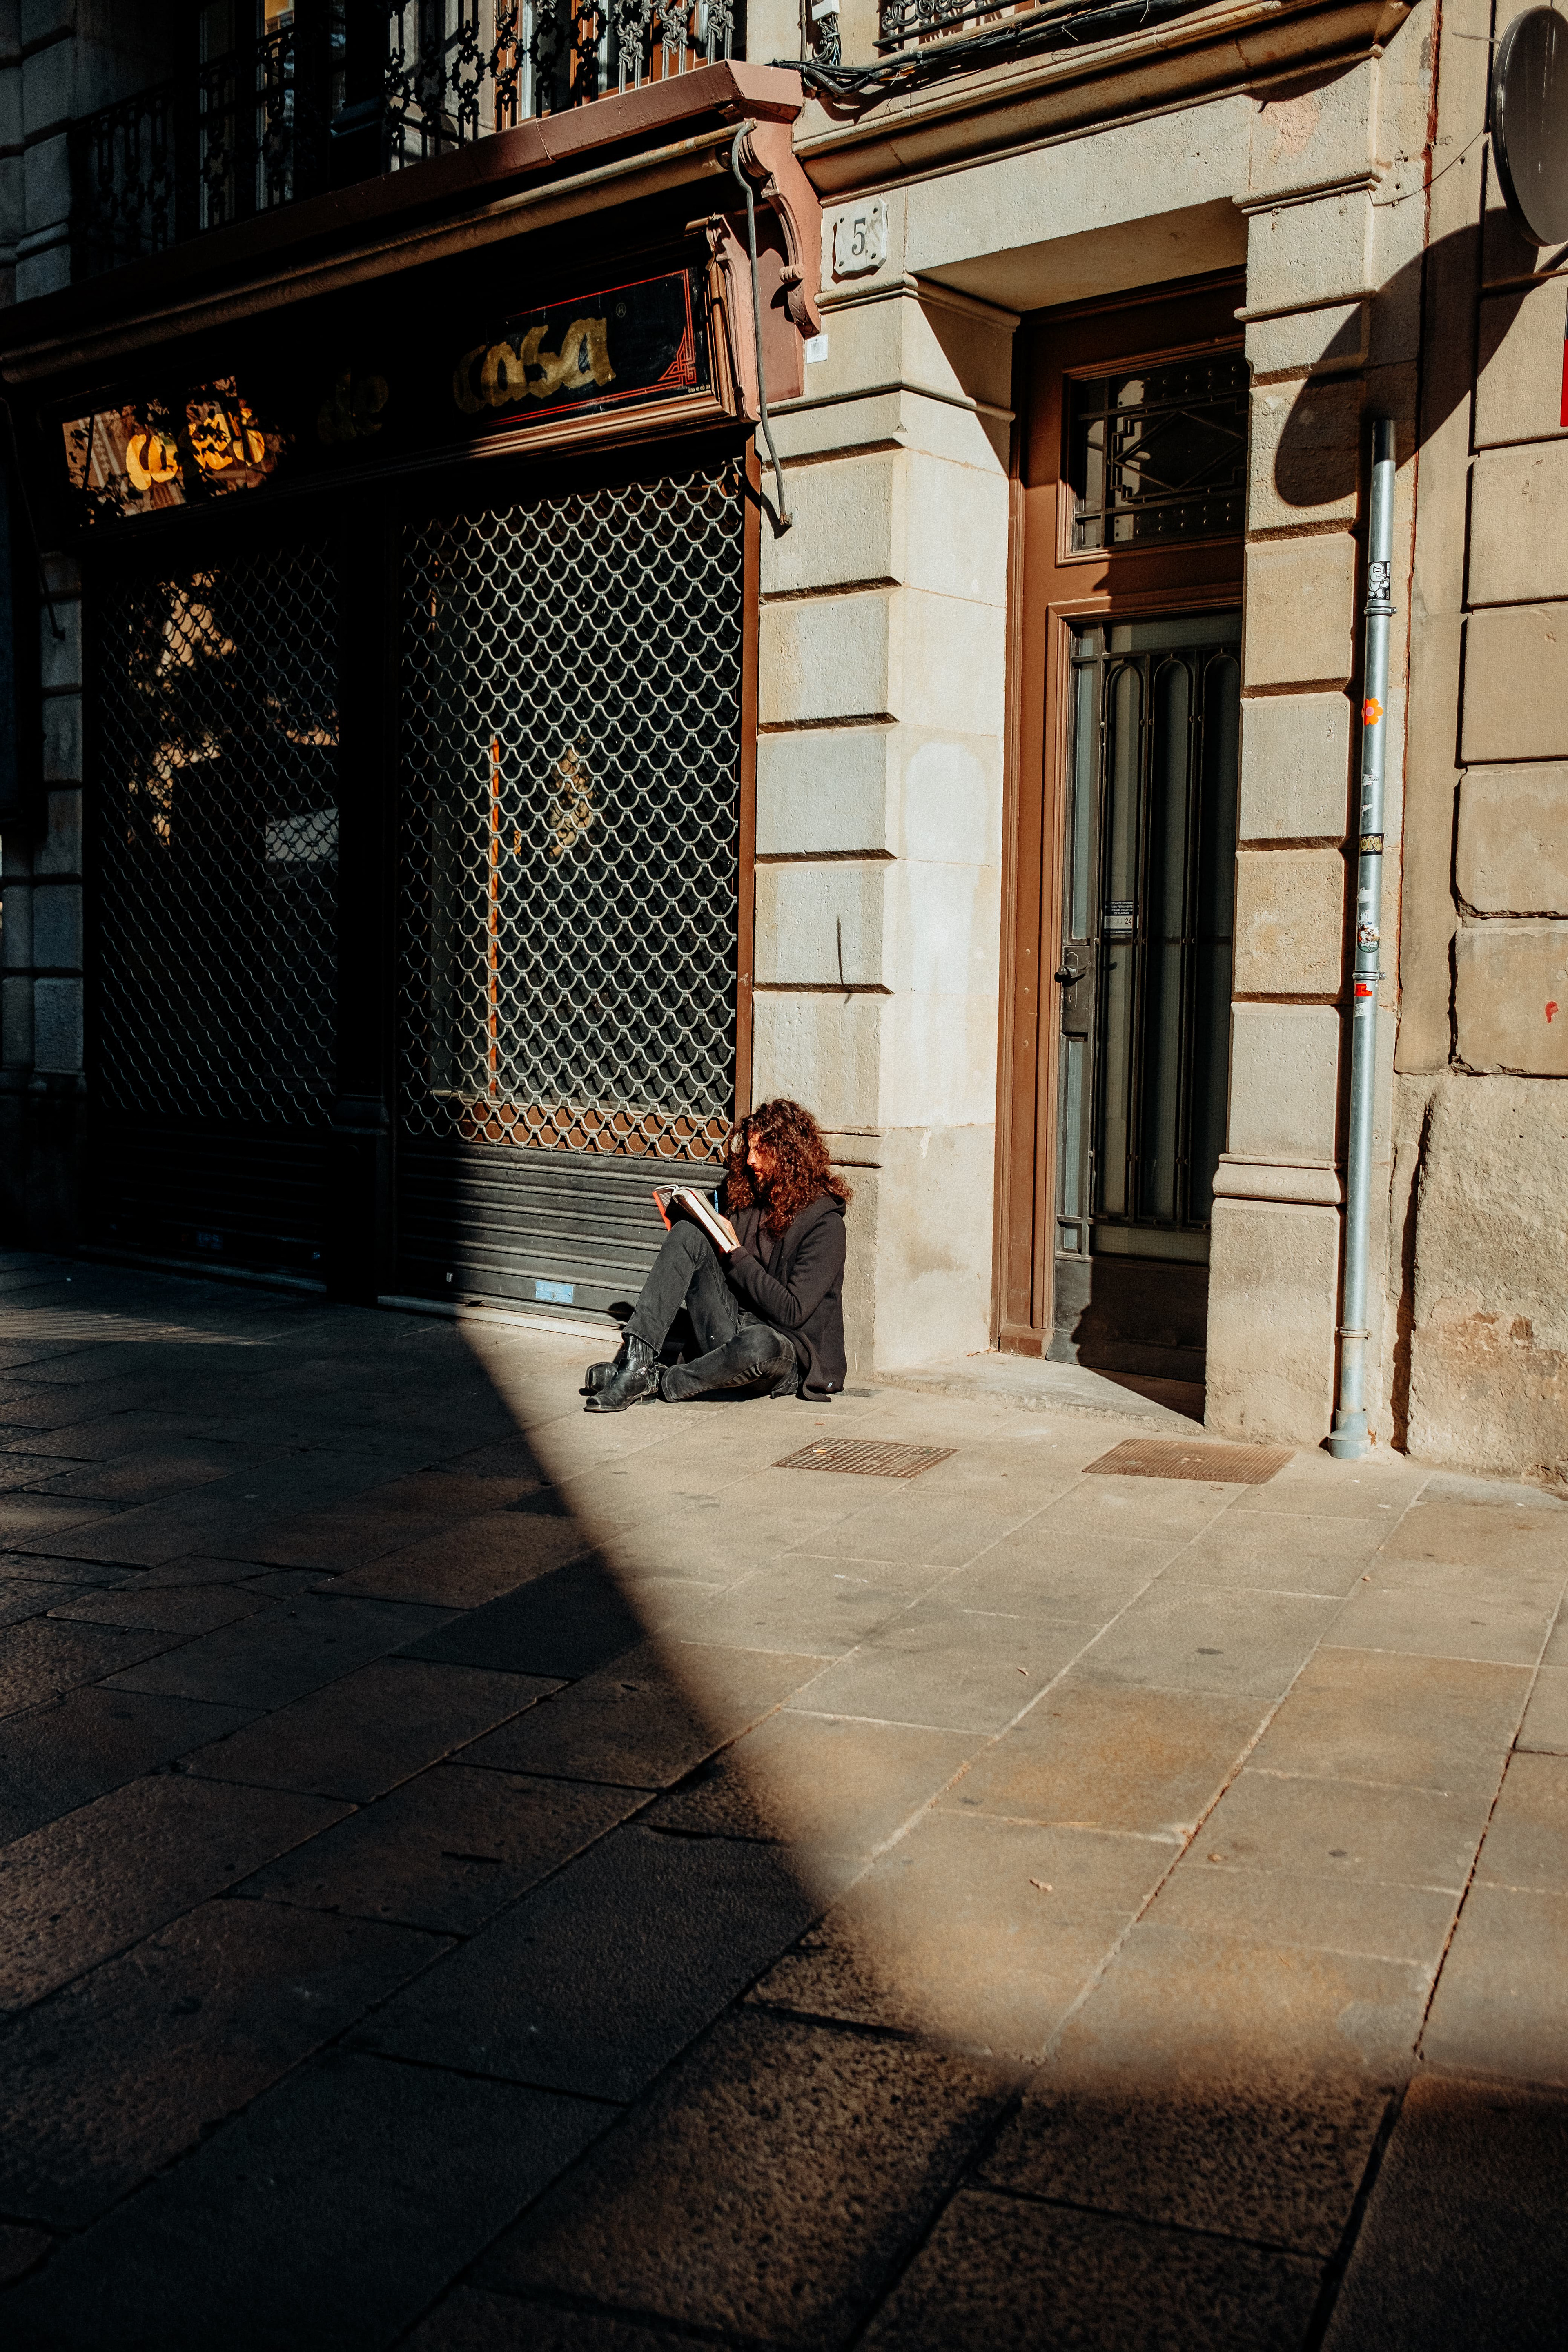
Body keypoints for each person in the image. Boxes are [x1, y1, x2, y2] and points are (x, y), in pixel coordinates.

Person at [584, 1097, 851, 1413]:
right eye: (749, 1148)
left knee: (759, 1344)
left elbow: (792, 1312)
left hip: (783, 1350)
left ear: (789, 1155)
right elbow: (708, 1262)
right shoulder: (746, 1193)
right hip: (730, 1325)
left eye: (761, 1150)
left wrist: (735, 1253)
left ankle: (660, 1381)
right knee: (687, 1234)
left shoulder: (825, 1225)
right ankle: (636, 1365)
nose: (751, 1160)